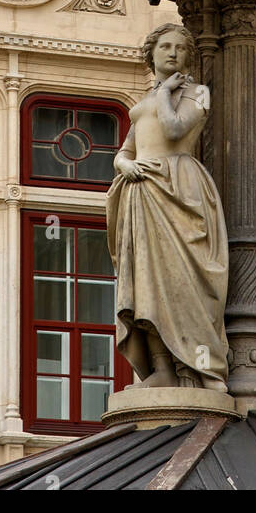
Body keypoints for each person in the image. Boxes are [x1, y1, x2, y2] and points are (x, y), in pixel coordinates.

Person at [106, 23, 229, 391]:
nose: (172, 53)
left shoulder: (199, 93)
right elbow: (126, 151)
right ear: (152, 53)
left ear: (189, 56)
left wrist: (165, 95)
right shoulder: (146, 102)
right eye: (165, 47)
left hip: (181, 186)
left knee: (185, 281)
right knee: (147, 283)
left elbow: (175, 130)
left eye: (180, 48)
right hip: (144, 190)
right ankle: (161, 366)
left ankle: (200, 368)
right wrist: (124, 166)